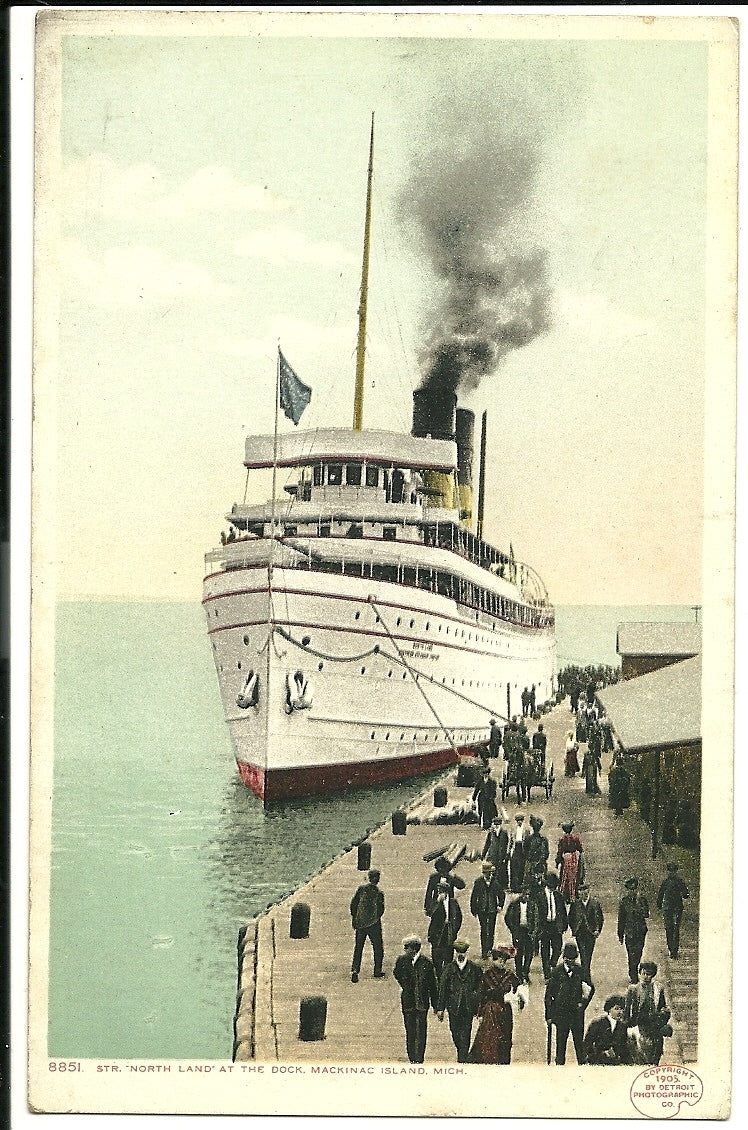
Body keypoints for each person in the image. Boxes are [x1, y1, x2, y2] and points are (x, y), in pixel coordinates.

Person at [468, 945, 527, 1064]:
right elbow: (480, 995)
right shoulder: (487, 975)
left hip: (505, 1013)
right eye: (499, 959)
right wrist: (480, 1011)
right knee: (489, 1039)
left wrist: (519, 998)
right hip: (491, 1012)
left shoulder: (511, 976)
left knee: (505, 1039)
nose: (501, 963)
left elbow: (521, 993)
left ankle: (503, 1062)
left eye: (503, 960)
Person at [544, 941, 595, 1065]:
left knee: (579, 1045)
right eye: (568, 960)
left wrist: (583, 1005)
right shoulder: (556, 972)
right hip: (561, 1015)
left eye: (573, 959)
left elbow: (591, 988)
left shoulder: (580, 970)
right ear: (563, 958)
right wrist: (549, 1016)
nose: (571, 963)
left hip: (577, 1014)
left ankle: (581, 1066)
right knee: (561, 1045)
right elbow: (548, 996)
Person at [393, 935, 438, 1063]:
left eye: (407, 947)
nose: (405, 950)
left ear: (414, 949)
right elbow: (396, 973)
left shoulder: (426, 963)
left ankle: (419, 1058)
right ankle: (412, 1057)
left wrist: (436, 1006)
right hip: (408, 1002)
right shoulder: (402, 961)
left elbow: (433, 985)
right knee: (410, 1031)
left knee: (421, 1032)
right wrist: (405, 985)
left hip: (422, 1003)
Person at [436, 939, 482, 1063]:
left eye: (463, 952)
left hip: (467, 1007)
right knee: (455, 1032)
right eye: (458, 952)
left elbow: (480, 988)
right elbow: (442, 989)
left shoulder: (475, 969)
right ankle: (461, 1052)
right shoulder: (448, 969)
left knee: (466, 1033)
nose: (460, 954)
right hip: (453, 1007)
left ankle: (462, 1058)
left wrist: (478, 1007)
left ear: (467, 952)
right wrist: (440, 1008)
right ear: (455, 952)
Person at [624, 961, 672, 1065]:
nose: (646, 976)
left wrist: (662, 1017)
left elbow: (663, 1007)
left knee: (655, 1054)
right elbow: (627, 1009)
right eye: (643, 973)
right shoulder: (633, 989)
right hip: (638, 1025)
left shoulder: (658, 990)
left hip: (654, 1026)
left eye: (649, 974)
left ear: (653, 975)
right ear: (640, 973)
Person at [350, 868, 385, 983]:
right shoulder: (379, 893)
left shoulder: (361, 889)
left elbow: (353, 904)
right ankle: (377, 970)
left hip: (360, 923)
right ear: (377, 879)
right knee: (377, 946)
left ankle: (355, 970)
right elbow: (381, 910)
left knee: (358, 947)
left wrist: (355, 918)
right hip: (374, 923)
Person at [568, 882, 604, 983]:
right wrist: (574, 929)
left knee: (588, 954)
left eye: (584, 893)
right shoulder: (575, 904)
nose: (582, 896)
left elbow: (600, 918)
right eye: (580, 894)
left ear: (588, 892)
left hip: (590, 933)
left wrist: (597, 930)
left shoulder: (594, 903)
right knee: (583, 954)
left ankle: (585, 973)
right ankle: (586, 975)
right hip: (580, 933)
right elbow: (570, 918)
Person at [470, 861, 506, 959]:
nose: (488, 874)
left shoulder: (495, 882)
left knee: (491, 930)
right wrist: (473, 909)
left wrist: (500, 905)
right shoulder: (478, 882)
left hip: (492, 910)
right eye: (486, 872)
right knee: (483, 929)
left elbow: (502, 894)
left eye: (489, 872)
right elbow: (474, 896)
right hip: (481, 910)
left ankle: (489, 949)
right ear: (483, 873)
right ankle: (484, 951)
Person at [427, 878, 463, 978]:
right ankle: (439, 976)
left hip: (449, 932)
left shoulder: (453, 903)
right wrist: (438, 902)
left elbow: (459, 917)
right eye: (439, 891)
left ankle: (446, 978)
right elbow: (431, 913)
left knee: (448, 956)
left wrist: (455, 930)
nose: (440, 893)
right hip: (437, 933)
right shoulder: (435, 903)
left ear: (447, 892)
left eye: (442, 891)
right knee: (437, 958)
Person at [536, 872, 568, 982]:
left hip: (555, 926)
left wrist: (564, 925)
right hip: (544, 926)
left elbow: (563, 912)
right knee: (545, 951)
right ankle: (547, 974)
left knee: (558, 948)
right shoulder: (539, 896)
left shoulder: (559, 896)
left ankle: (552, 962)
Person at [583, 995, 632, 1065]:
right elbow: (587, 1044)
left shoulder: (622, 1026)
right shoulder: (597, 1023)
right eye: (616, 1009)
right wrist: (596, 1056)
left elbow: (623, 1047)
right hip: (598, 1062)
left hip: (616, 1063)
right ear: (609, 1009)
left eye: (622, 1009)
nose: (620, 1012)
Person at [617, 877, 650, 984]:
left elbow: (646, 914)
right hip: (630, 933)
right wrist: (620, 935)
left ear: (637, 889)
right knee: (631, 955)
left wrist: (640, 907)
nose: (633, 892)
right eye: (630, 890)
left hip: (640, 932)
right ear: (628, 890)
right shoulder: (624, 902)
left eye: (634, 889)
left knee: (638, 953)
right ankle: (633, 975)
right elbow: (621, 919)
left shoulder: (642, 900)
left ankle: (634, 971)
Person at [504, 887, 539, 984]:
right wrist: (513, 930)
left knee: (529, 954)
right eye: (524, 894)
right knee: (518, 953)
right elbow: (508, 918)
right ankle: (519, 974)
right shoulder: (514, 904)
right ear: (521, 894)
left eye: (528, 895)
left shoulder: (532, 905)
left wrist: (534, 931)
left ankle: (525, 972)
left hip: (529, 932)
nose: (526, 897)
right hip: (518, 931)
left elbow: (536, 919)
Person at [657, 862, 690, 960]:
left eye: (673, 871)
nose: (672, 873)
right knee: (670, 928)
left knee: (674, 929)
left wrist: (684, 894)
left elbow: (685, 894)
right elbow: (660, 895)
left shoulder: (677, 882)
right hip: (669, 908)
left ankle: (673, 950)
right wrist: (659, 904)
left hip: (675, 908)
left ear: (676, 872)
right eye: (670, 871)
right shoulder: (667, 882)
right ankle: (671, 948)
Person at [556, 822, 584, 903]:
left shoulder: (562, 839)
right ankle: (573, 894)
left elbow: (559, 851)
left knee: (565, 876)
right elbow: (580, 849)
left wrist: (557, 862)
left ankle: (565, 894)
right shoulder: (575, 838)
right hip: (574, 858)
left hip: (566, 858)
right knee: (574, 876)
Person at [482, 814, 510, 890]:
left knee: (502, 870)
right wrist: (483, 853)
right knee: (492, 870)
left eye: (498, 824)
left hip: (501, 855)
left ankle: (504, 885)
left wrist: (507, 855)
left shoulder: (504, 833)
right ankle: (493, 885)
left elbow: (507, 844)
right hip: (493, 854)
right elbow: (487, 843)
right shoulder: (491, 833)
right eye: (495, 824)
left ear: (501, 824)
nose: (496, 825)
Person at [509, 812, 531, 892]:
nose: (519, 822)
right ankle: (514, 887)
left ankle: (521, 885)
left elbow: (528, 841)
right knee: (514, 867)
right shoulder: (513, 828)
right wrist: (509, 851)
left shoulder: (526, 829)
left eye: (521, 820)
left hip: (522, 848)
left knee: (521, 867)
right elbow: (511, 841)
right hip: (516, 848)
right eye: (518, 820)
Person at [525, 815, 550, 883]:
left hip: (540, 864)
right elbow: (525, 851)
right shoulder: (529, 838)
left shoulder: (543, 839)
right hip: (532, 863)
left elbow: (546, 853)